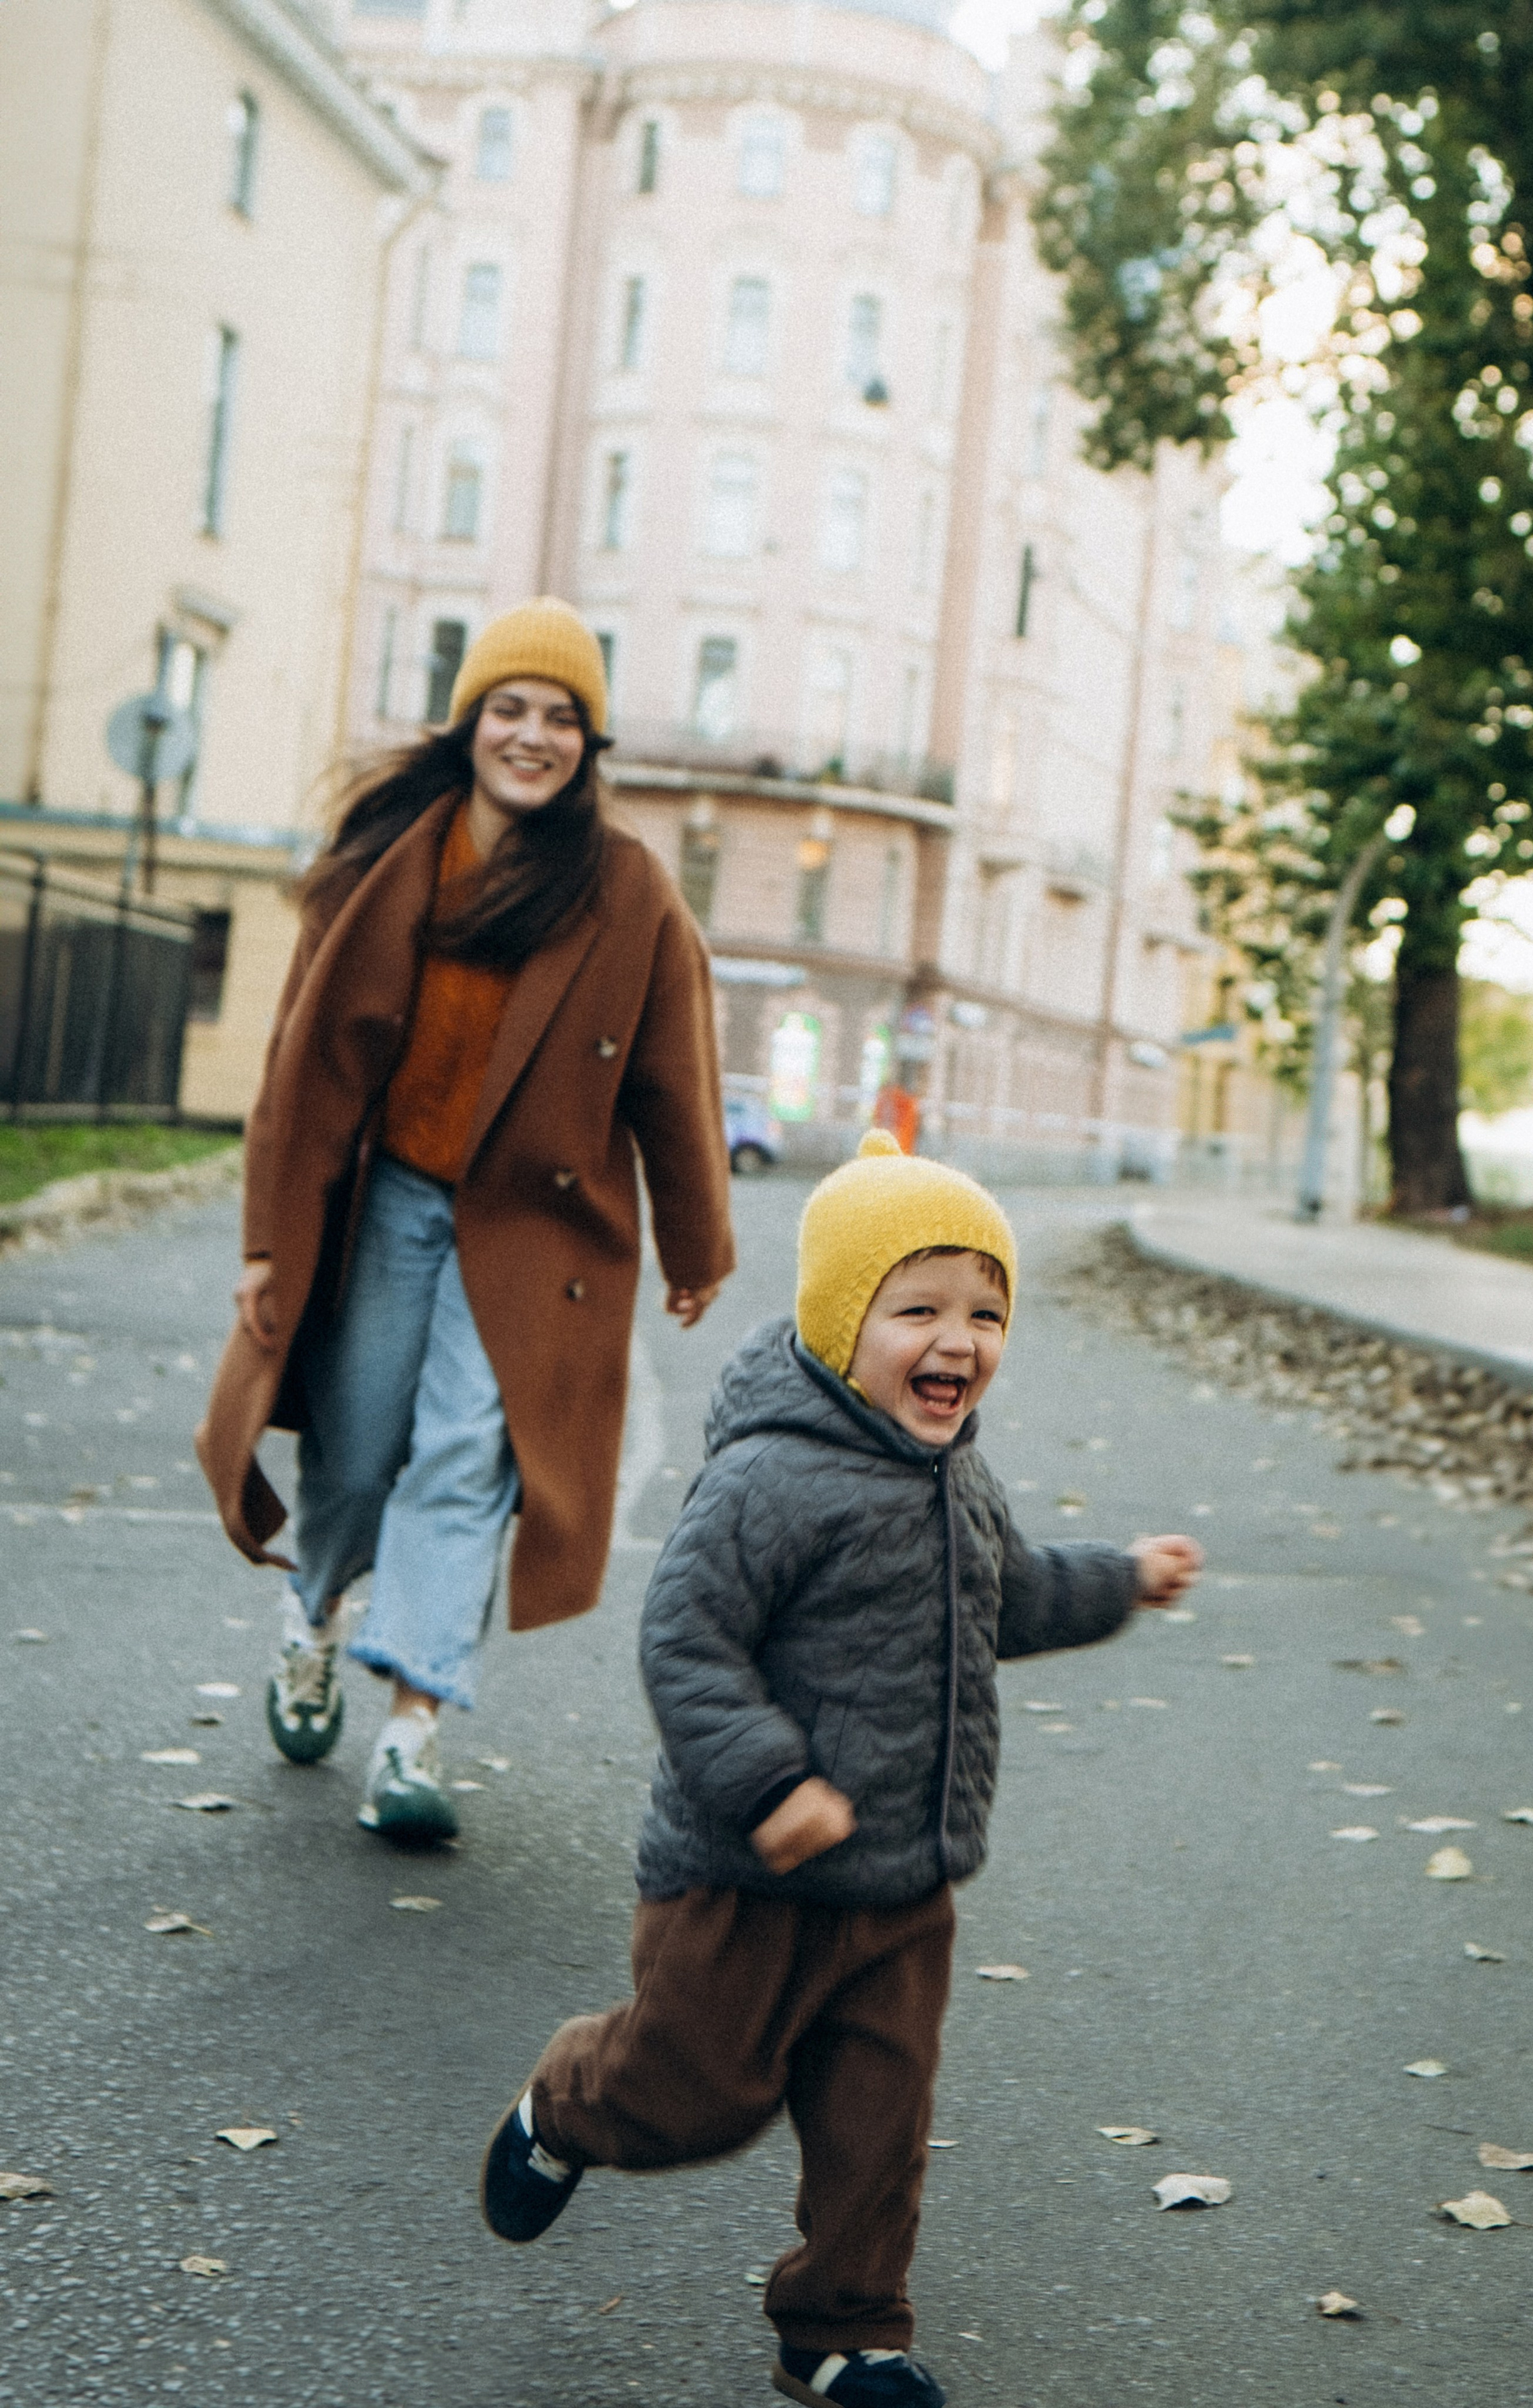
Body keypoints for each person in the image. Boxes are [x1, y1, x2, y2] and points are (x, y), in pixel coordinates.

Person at [477, 1130, 1201, 2406]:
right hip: (743, 1879)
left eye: (984, 1312)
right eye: (915, 1308)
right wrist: (768, 1785)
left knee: (879, 2125)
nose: (957, 1341)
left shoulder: (956, 1483)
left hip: (902, 1887)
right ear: (836, 1322)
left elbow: (1011, 1597)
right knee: (693, 2097)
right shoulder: (767, 1478)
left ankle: (840, 2328)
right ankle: (565, 2104)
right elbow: (686, 1643)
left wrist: (1123, 1582)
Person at [196, 599, 734, 1844]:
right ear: (470, 723)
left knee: (464, 1461)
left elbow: (673, 1074)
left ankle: (411, 1737)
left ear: (587, 744)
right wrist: (270, 1248)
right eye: (510, 710)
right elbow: (302, 1068)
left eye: (559, 718)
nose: (531, 737)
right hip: (389, 1203)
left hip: (536, 1231)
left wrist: (695, 1245)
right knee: (358, 1445)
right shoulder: (393, 860)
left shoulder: (628, 891)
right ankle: (313, 1616)